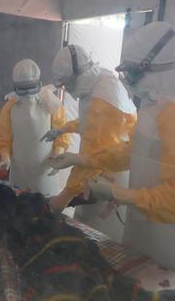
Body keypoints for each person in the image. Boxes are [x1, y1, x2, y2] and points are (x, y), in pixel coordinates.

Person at [77, 22, 175, 286]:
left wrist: (118, 194)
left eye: (132, 74)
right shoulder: (156, 99)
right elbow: (133, 152)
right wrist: (83, 159)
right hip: (147, 216)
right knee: (140, 292)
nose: (128, 83)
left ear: (159, 69)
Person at [42, 45, 136, 240]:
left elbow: (98, 154)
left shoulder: (105, 95)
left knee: (98, 237)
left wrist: (65, 195)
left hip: (108, 175)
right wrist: (62, 129)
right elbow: (88, 123)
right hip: (95, 170)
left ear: (79, 74)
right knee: (84, 227)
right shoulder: (97, 83)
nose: (66, 89)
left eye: (67, 83)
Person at [0, 59, 69, 196]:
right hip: (20, 166)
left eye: (30, 87)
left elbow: (62, 130)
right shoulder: (10, 107)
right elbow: (3, 134)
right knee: (21, 203)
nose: (27, 92)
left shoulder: (50, 102)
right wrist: (4, 155)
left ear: (38, 83)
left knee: (46, 205)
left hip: (45, 164)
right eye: (23, 88)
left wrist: (59, 151)